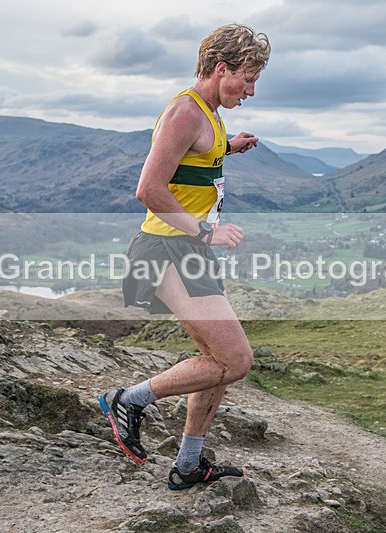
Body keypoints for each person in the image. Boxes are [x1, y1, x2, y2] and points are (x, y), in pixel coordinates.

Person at [98, 23, 270, 491]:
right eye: (247, 78)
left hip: (188, 252)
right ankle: (128, 400)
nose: (251, 90)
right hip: (166, 250)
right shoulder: (185, 113)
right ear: (220, 69)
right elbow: (148, 190)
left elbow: (191, 166)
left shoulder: (210, 115)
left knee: (216, 359)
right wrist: (207, 231)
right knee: (235, 360)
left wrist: (228, 149)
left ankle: (190, 464)